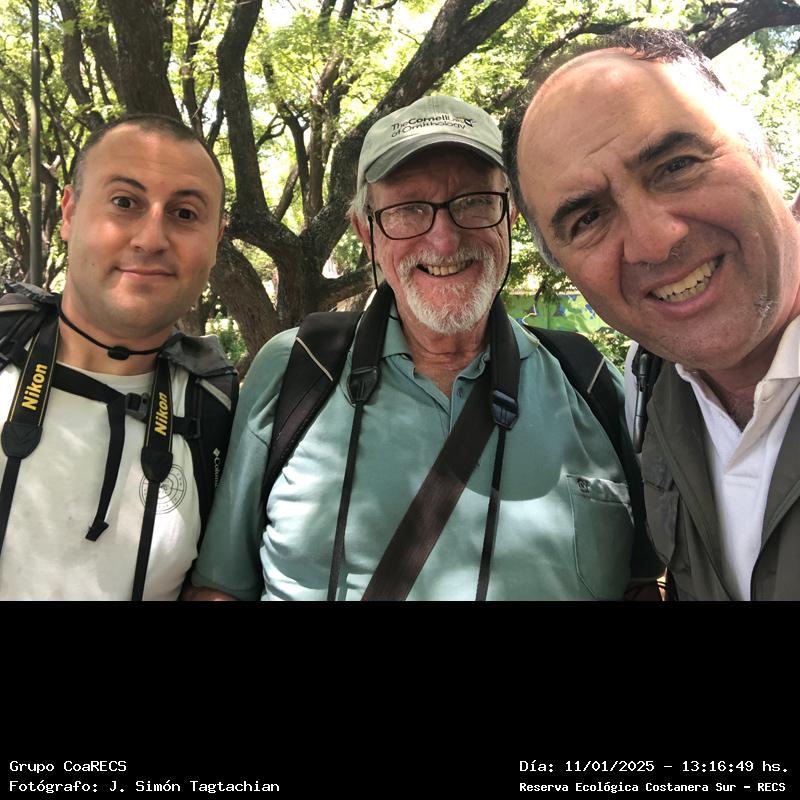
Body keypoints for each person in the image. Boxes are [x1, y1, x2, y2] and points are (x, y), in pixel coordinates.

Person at [188, 94, 661, 601]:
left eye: (474, 202)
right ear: (366, 232)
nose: (444, 241)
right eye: (408, 210)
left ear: (511, 215)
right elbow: (220, 590)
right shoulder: (297, 371)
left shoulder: (588, 381)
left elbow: (646, 583)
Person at [504, 28, 800, 599]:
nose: (654, 241)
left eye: (676, 165)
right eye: (588, 218)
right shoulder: (650, 383)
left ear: (760, 147)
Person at [0, 113, 235, 600]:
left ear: (216, 241)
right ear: (69, 213)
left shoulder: (221, 414)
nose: (151, 239)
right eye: (125, 202)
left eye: (185, 214)